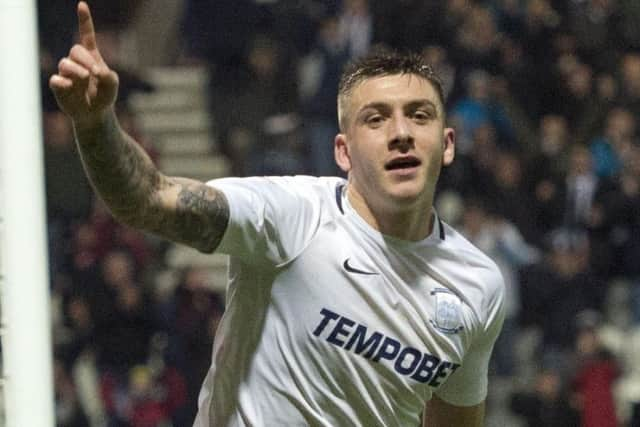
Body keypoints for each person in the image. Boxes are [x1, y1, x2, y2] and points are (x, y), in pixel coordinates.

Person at [50, 3, 505, 425]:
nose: (401, 132)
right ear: (343, 152)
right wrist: (95, 125)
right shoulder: (292, 216)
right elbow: (149, 197)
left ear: (446, 144)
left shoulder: (477, 285)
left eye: (419, 115)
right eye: (376, 118)